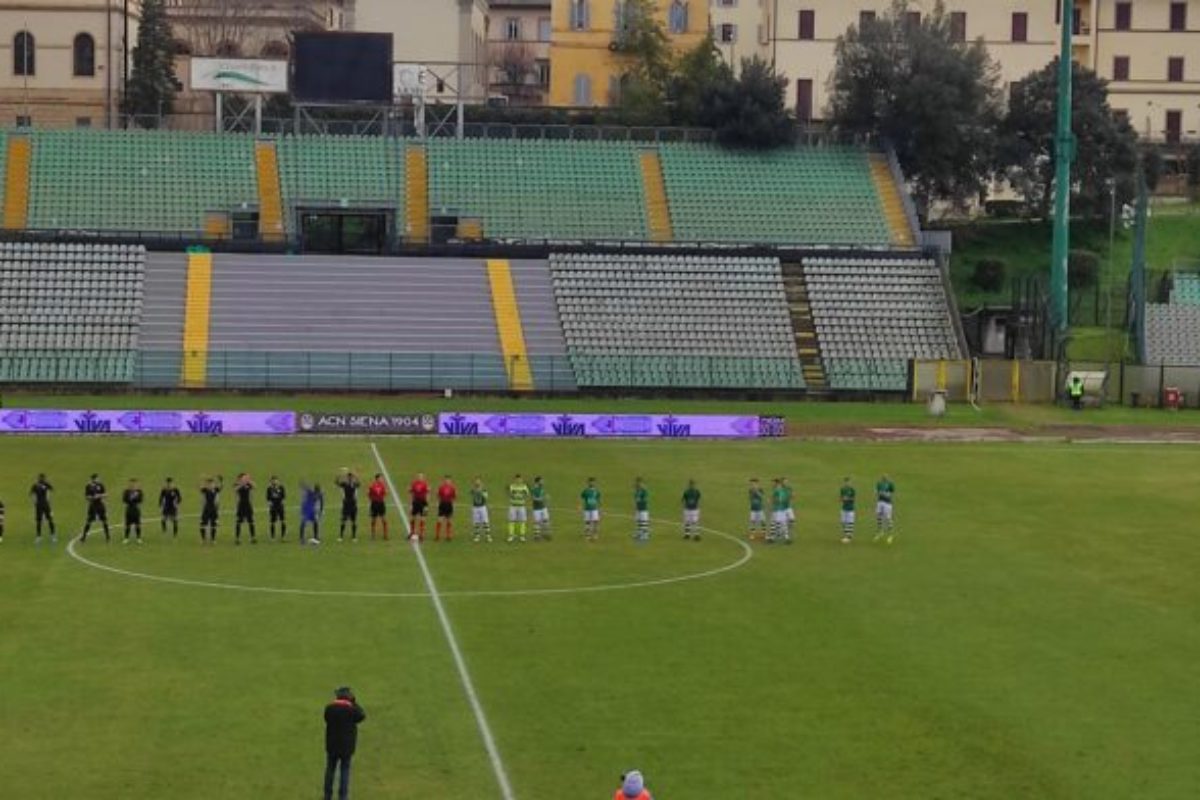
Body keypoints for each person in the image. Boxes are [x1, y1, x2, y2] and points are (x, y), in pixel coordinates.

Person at [323, 687, 366, 800]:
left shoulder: (330, 708)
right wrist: (354, 703)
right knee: (344, 771)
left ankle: (327, 795)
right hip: (347, 747)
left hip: (332, 745)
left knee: (330, 770)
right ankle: (343, 796)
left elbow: (326, 718)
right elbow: (362, 715)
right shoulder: (351, 710)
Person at [79, 473, 110, 544]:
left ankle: (108, 536)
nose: (99, 479)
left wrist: (99, 495)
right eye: (97, 478)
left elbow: (106, 494)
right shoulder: (88, 486)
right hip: (92, 505)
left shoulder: (101, 485)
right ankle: (83, 537)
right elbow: (86, 497)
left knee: (104, 520)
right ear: (94, 479)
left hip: (100, 505)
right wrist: (92, 497)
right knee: (89, 521)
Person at [334, 469, 360, 543]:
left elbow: (359, 483)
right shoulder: (344, 484)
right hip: (346, 504)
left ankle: (354, 537)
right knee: (343, 520)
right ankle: (341, 536)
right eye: (349, 477)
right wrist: (339, 475)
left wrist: (356, 476)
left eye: (351, 477)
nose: (350, 478)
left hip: (353, 504)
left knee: (353, 521)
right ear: (347, 477)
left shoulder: (354, 484)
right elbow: (336, 482)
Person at [30, 473, 56, 544]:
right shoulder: (35, 485)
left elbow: (52, 489)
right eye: (41, 478)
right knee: (39, 521)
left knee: (50, 519)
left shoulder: (46, 484)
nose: (41, 479)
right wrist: (34, 502)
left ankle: (53, 535)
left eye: (42, 478)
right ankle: (39, 537)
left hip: (46, 504)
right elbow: (32, 494)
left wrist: (48, 498)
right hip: (39, 505)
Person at [234, 473, 257, 545]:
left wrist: (249, 481)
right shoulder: (237, 484)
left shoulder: (248, 484)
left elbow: (255, 487)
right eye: (243, 478)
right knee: (238, 522)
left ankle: (253, 537)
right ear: (240, 479)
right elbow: (235, 490)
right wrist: (242, 484)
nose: (245, 479)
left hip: (248, 505)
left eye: (245, 478)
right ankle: (237, 538)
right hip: (241, 505)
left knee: (251, 521)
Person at [507, 473, 530, 543]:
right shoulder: (512, 486)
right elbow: (509, 495)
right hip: (513, 506)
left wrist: (522, 497)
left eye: (519, 479)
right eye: (517, 479)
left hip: (521, 506)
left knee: (522, 521)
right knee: (511, 521)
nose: (518, 480)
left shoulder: (524, 487)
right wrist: (513, 496)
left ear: (521, 480)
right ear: (515, 480)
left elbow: (527, 495)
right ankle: (511, 535)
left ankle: (522, 536)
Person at [199, 476, 223, 545]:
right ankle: (203, 539)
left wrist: (221, 481)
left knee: (213, 524)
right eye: (209, 484)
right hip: (206, 509)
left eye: (212, 484)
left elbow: (221, 487)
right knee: (203, 524)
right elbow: (200, 488)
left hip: (213, 509)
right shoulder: (205, 490)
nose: (210, 485)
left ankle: (213, 539)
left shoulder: (216, 489)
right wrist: (202, 481)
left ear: (214, 484)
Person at [874, 474, 897, 544]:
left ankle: (890, 535)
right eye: (883, 477)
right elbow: (876, 492)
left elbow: (892, 493)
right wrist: (878, 493)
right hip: (880, 502)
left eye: (885, 477)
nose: (884, 478)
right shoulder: (879, 484)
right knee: (878, 517)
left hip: (887, 503)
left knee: (888, 518)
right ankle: (880, 532)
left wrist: (885, 494)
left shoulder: (890, 484)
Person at [768, 478, 791, 544]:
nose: (772, 484)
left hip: (777, 509)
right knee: (783, 523)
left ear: (776, 483)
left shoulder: (777, 490)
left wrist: (771, 501)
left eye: (773, 483)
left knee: (774, 523)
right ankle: (786, 538)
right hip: (782, 509)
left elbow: (779, 500)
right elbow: (786, 499)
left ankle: (773, 538)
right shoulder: (783, 490)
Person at [122, 478, 144, 544]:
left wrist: (133, 499)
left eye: (134, 484)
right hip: (129, 509)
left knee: (137, 524)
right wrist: (131, 499)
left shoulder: (139, 492)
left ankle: (138, 538)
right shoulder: (126, 492)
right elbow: (124, 500)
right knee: (127, 524)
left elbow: (140, 500)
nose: (133, 486)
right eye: (131, 484)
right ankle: (126, 538)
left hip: (136, 509)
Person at [408, 472, 429, 542]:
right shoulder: (414, 484)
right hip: (415, 502)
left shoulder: (425, 484)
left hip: (423, 503)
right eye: (419, 476)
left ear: (423, 477)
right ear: (417, 477)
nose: (420, 477)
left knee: (422, 519)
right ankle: (412, 532)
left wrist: (426, 505)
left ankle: (421, 535)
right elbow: (411, 494)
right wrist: (411, 504)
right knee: (412, 518)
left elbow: (427, 494)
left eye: (421, 476)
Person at [436, 475, 457, 542]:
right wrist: (438, 504)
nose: (447, 481)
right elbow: (438, 496)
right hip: (442, 504)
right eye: (446, 480)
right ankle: (437, 535)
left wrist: (453, 506)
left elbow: (454, 497)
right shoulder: (441, 487)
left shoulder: (452, 488)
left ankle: (448, 535)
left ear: (450, 481)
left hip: (449, 505)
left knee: (449, 520)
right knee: (439, 520)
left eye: (448, 480)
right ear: (444, 481)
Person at [470, 477, 492, 543]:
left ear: (481, 483)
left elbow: (486, 497)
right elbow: (472, 495)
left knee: (485, 521)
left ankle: (488, 536)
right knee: (476, 522)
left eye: (478, 482)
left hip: (482, 507)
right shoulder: (473, 490)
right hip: (475, 507)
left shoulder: (484, 490)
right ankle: (477, 536)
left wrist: (481, 492)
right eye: (476, 482)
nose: (477, 483)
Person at [367, 473, 388, 541]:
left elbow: (385, 493)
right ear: (377, 479)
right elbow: (368, 494)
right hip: (374, 504)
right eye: (381, 478)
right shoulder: (372, 485)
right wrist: (372, 500)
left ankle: (385, 535)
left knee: (384, 519)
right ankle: (373, 535)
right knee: (373, 520)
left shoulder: (382, 485)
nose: (382, 479)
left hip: (381, 503)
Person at [530, 476, 551, 541]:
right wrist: (541, 499)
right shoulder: (534, 489)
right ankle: (537, 536)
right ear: (538, 481)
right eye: (541, 481)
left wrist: (546, 496)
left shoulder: (541, 488)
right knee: (537, 522)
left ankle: (546, 534)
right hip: (536, 509)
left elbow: (543, 494)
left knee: (546, 520)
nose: (543, 482)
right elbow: (534, 498)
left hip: (543, 507)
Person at [266, 476, 287, 541]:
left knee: (282, 521)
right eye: (273, 481)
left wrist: (282, 502)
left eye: (276, 480)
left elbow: (284, 497)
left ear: (278, 481)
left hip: (280, 507)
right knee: (272, 522)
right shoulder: (269, 489)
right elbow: (268, 498)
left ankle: (283, 537)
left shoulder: (281, 487)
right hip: (273, 507)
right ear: (271, 481)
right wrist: (270, 503)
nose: (274, 482)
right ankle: (272, 537)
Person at [581, 477, 601, 542]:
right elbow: (582, 498)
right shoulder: (585, 491)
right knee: (587, 522)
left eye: (593, 482)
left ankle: (595, 535)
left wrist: (600, 509)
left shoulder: (597, 491)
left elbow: (598, 500)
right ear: (588, 483)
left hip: (594, 509)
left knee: (596, 522)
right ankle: (588, 535)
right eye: (590, 482)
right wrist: (579, 506)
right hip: (587, 509)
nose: (592, 483)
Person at [632, 477, 650, 542]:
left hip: (643, 508)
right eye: (637, 482)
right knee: (638, 521)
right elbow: (635, 499)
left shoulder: (644, 490)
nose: (637, 484)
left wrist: (640, 500)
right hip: (638, 508)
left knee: (643, 521)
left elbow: (645, 499)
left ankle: (645, 535)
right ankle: (639, 533)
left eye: (639, 482)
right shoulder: (637, 490)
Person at [839, 477, 856, 543]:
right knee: (843, 522)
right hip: (844, 508)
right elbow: (840, 498)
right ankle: (846, 535)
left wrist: (847, 499)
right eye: (846, 482)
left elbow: (853, 499)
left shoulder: (852, 490)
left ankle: (849, 537)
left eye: (848, 482)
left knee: (850, 523)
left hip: (850, 508)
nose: (847, 483)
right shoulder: (842, 489)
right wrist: (842, 499)